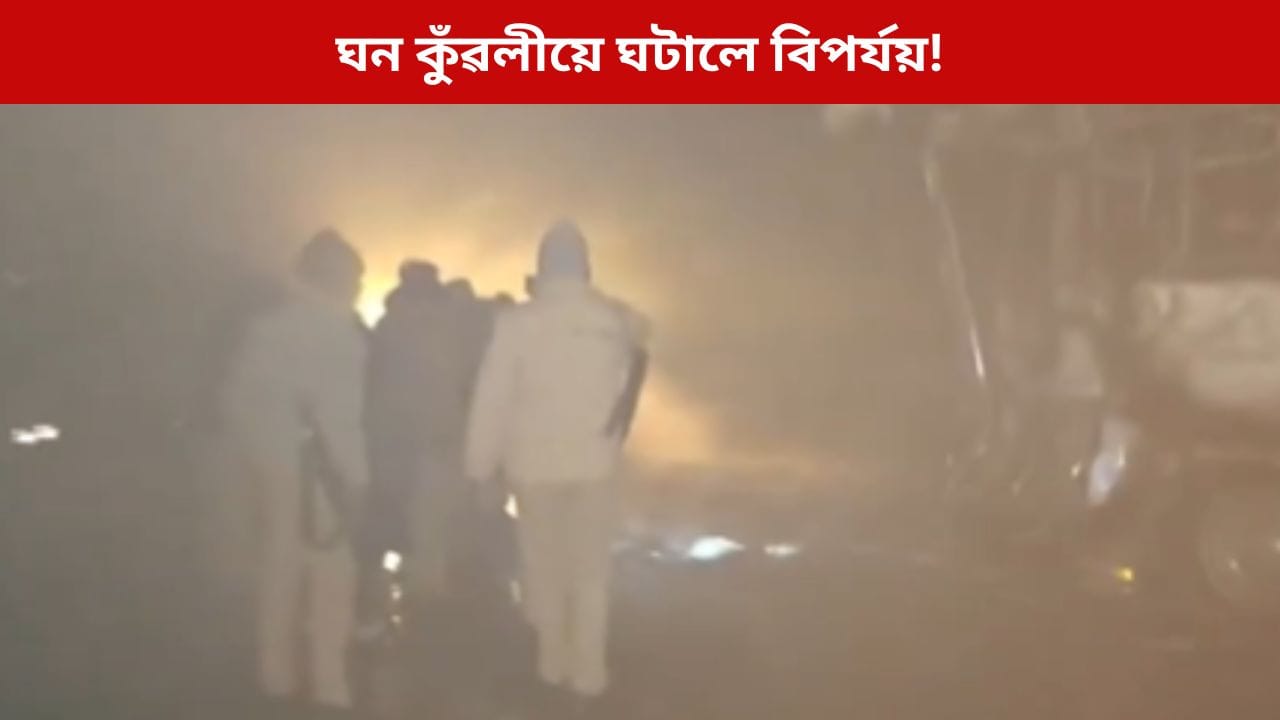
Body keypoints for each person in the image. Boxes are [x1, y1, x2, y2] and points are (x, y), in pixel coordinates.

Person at [465, 220, 649, 710]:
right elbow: (627, 382)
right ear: (586, 267)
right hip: (594, 467)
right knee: (590, 576)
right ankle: (588, 677)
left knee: (542, 570)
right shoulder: (612, 321)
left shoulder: (516, 324)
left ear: (541, 268)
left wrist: (480, 469)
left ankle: (551, 666)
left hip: (533, 470)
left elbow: (492, 400)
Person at [222, 228, 370, 716]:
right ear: (339, 278)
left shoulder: (264, 330)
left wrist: (265, 455)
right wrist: (357, 481)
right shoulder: (341, 335)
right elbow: (346, 417)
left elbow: (238, 405)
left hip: (276, 468)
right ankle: (330, 683)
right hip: (327, 477)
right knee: (332, 579)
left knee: (279, 572)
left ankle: (275, 677)